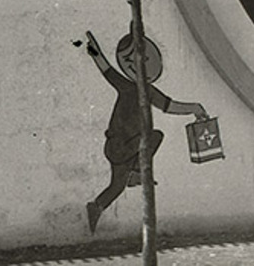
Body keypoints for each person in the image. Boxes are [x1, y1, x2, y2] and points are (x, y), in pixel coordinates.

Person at [85, 30, 207, 234]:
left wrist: (194, 108)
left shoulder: (145, 90)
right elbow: (106, 70)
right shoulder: (128, 86)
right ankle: (136, 173)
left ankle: (96, 206)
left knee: (116, 186)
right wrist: (93, 49)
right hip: (122, 145)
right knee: (154, 136)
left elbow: (169, 105)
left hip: (123, 147)